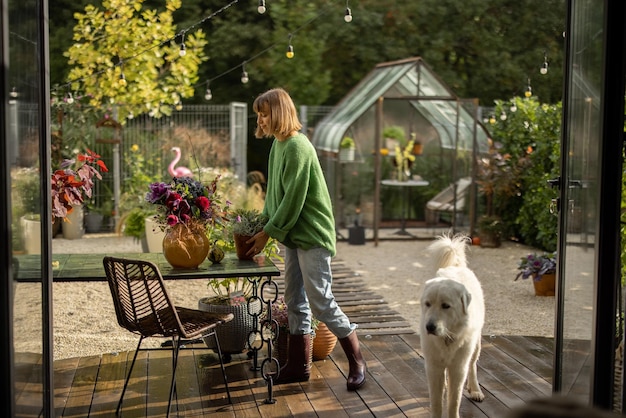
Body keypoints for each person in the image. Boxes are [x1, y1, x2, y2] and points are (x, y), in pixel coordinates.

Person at [246, 87, 366, 391]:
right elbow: (275, 197)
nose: (259, 119)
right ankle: (299, 367)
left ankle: (357, 359)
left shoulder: (298, 146)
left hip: (311, 235)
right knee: (294, 300)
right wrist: (261, 227)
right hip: (293, 236)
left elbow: (294, 201)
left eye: (263, 113)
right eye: (258, 114)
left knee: (321, 301)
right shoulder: (278, 145)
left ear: (279, 113)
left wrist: (269, 233)